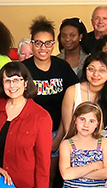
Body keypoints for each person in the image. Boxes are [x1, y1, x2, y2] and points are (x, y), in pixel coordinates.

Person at [0, 62, 52, 188]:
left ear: (25, 83)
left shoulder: (41, 116)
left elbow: (43, 160)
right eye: (7, 80)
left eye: (16, 79)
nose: (12, 85)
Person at [24, 17, 80, 161]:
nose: (43, 48)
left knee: (50, 178)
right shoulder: (23, 69)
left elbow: (72, 102)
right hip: (28, 133)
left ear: (53, 44)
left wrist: (60, 136)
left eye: (48, 43)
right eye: (38, 43)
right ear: (32, 44)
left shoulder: (62, 67)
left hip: (57, 131)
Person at [60, 52, 107, 150]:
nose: (95, 74)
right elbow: (68, 130)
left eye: (102, 70)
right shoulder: (72, 91)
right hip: (75, 147)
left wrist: (106, 158)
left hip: (102, 148)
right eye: (91, 69)